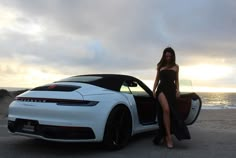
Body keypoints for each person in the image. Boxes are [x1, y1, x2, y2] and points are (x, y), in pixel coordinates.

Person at [152, 47, 190, 149]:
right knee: (166, 109)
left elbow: (177, 80)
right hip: (161, 89)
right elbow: (157, 79)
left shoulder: (176, 67)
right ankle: (169, 137)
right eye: (166, 56)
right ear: (164, 56)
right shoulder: (160, 66)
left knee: (169, 113)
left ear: (172, 56)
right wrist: (153, 90)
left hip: (171, 91)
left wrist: (178, 90)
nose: (167, 57)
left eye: (169, 56)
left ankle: (165, 135)